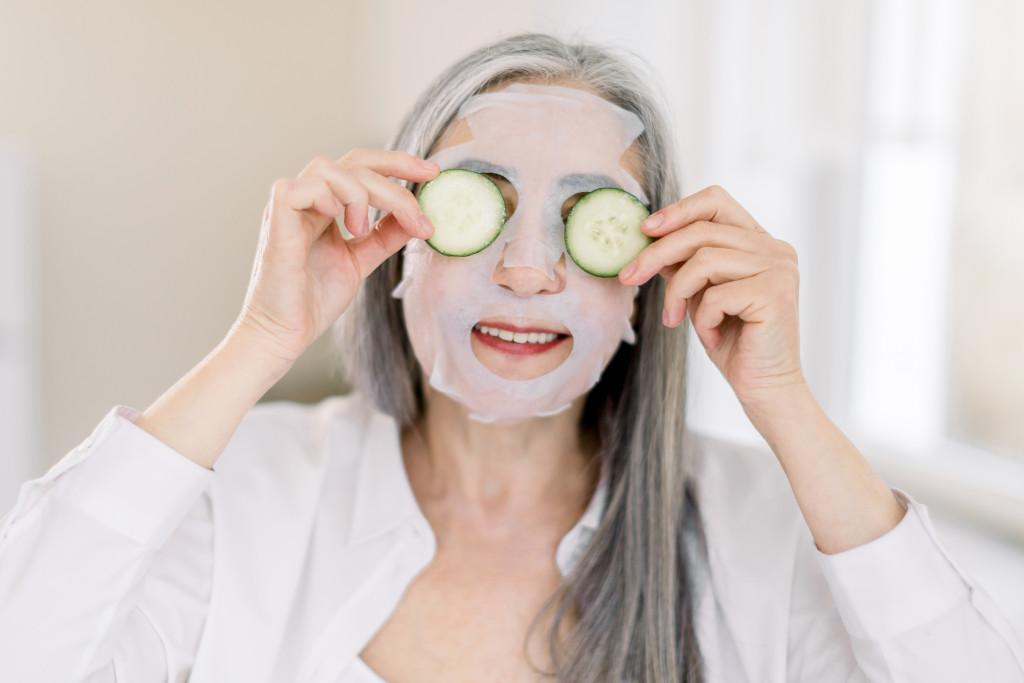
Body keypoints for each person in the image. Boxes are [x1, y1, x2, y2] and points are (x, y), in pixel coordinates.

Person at [0, 32, 1022, 683]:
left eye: (590, 218)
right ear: (397, 246)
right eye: (477, 205)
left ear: (646, 276)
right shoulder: (248, 494)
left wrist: (788, 400)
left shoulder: (758, 530)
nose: (528, 268)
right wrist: (257, 342)